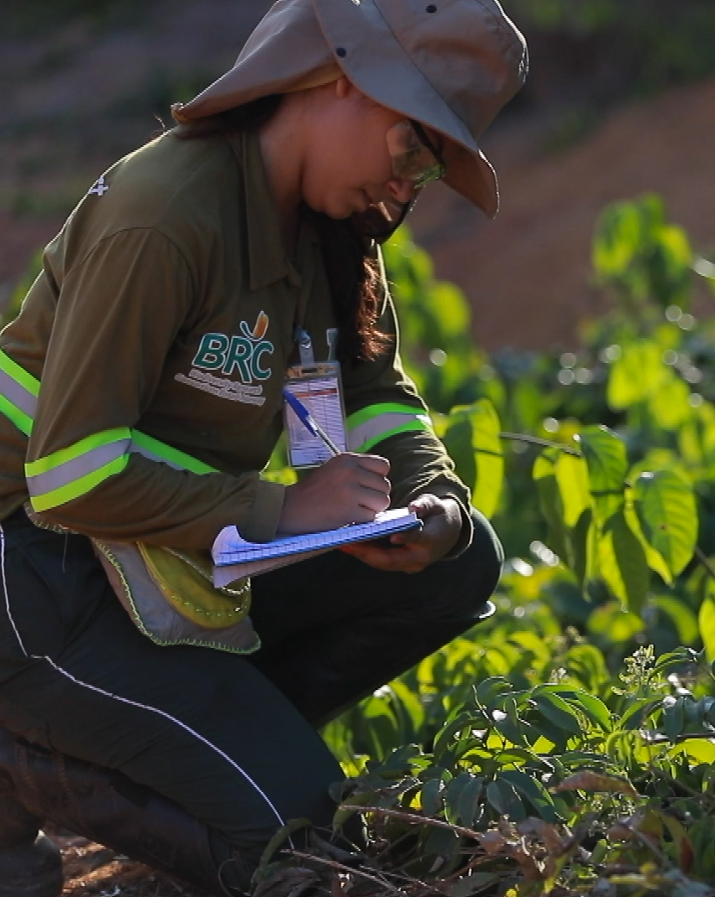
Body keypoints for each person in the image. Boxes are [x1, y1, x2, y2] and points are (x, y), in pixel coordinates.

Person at [0, 0, 526, 894]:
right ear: (335, 78)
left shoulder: (325, 225)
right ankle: (33, 759)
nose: (407, 188)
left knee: (461, 560)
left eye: (430, 170)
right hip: (37, 570)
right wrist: (286, 508)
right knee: (308, 847)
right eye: (411, 147)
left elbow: (371, 391)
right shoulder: (165, 212)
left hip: (157, 560)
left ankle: (197, 741)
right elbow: (68, 474)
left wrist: (429, 497)